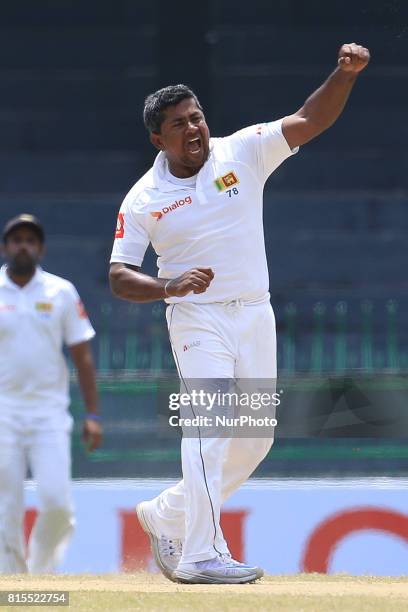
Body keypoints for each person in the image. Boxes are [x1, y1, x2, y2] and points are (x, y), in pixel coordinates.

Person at [109, 43, 370, 584]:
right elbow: (118, 275)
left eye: (197, 116)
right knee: (210, 425)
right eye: (179, 124)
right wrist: (168, 285)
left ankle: (166, 515)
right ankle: (199, 554)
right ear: (158, 139)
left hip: (255, 314)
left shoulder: (243, 151)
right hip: (197, 318)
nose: (194, 128)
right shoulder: (144, 198)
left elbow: (306, 120)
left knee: (254, 439)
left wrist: (344, 75)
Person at [0, 214, 102, 574]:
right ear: (5, 247)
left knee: (58, 506)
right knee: (5, 507)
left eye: (30, 240)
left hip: (49, 413)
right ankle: (13, 586)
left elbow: (83, 357)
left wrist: (93, 415)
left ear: (40, 248)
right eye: (16, 240)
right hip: (3, 413)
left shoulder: (61, 291)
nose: (23, 245)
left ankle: (40, 576)